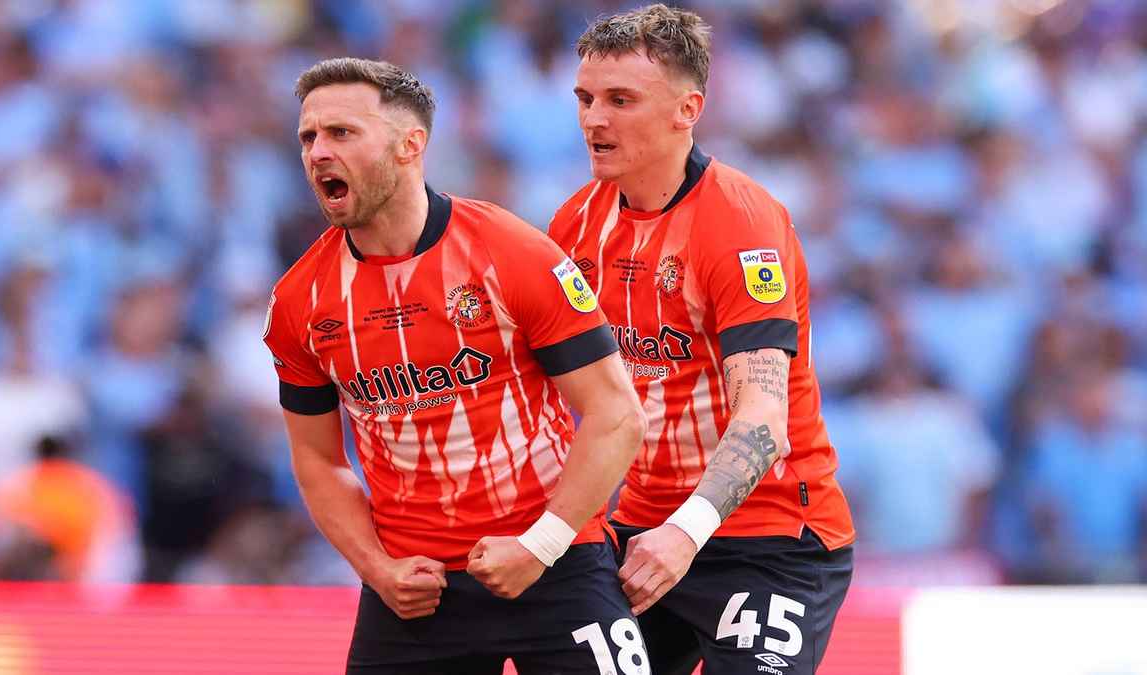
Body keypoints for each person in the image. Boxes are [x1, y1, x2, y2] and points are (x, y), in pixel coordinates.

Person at [264, 57, 650, 675]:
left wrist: (539, 546)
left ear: (409, 145)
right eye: (308, 137)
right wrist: (377, 569)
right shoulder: (299, 301)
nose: (318, 153)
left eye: (341, 133)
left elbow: (616, 414)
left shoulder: (512, 253)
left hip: (555, 563)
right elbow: (318, 459)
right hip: (417, 590)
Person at [548, 6, 855, 674]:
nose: (594, 119)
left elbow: (763, 417)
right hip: (638, 529)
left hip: (770, 536)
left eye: (621, 99)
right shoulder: (575, 225)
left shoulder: (738, 224)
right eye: (586, 98)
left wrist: (684, 534)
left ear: (687, 109)